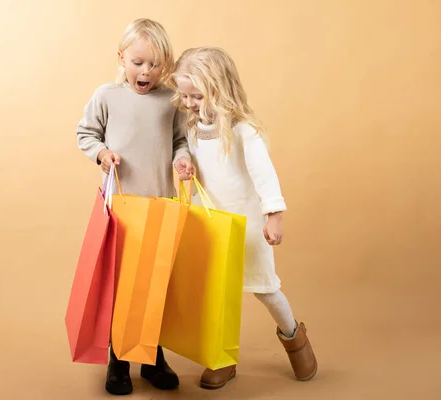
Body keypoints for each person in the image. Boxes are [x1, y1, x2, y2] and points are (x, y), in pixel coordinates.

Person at [169, 46, 317, 390]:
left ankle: (295, 337)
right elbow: (191, 157)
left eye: (196, 95)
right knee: (217, 293)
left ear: (219, 89)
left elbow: (264, 175)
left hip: (248, 227)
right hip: (213, 225)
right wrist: (185, 164)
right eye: (185, 95)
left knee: (266, 290)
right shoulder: (191, 126)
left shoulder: (242, 130)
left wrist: (273, 217)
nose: (189, 103)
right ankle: (223, 360)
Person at [75, 18, 194, 396]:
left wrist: (182, 158)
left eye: (156, 65)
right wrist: (102, 153)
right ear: (122, 57)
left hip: (160, 203)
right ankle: (119, 360)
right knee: (121, 285)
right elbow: (86, 133)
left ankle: (153, 358)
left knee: (155, 284)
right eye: (139, 62)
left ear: (167, 66)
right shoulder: (107, 96)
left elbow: (180, 140)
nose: (147, 71)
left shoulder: (170, 100)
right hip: (121, 209)